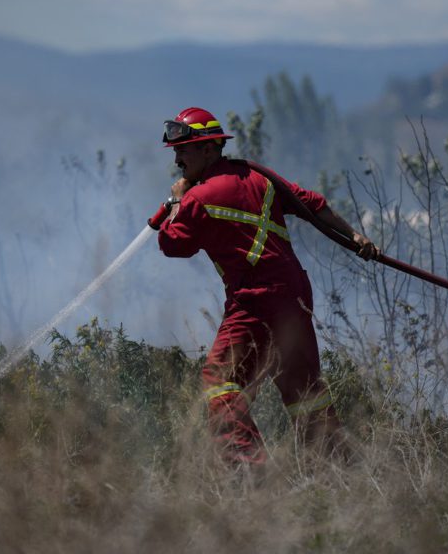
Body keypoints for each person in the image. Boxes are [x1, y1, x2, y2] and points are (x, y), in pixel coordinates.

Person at [153, 106, 378, 466]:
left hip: (254, 300)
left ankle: (251, 470)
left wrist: (177, 198)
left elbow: (172, 244)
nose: (178, 159)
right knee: (303, 390)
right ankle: (340, 470)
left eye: (184, 149)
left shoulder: (197, 198)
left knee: (220, 382)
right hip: (294, 295)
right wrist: (356, 236)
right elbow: (313, 204)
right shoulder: (259, 178)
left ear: (210, 149)